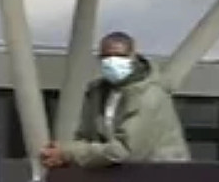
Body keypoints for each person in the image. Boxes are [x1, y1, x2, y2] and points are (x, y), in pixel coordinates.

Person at [40, 31, 191, 170]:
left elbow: (125, 151)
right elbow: (85, 138)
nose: (112, 61)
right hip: (118, 177)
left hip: (161, 177)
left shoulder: (150, 94)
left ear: (133, 57)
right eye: (106, 57)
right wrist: (63, 153)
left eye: (120, 56)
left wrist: (69, 153)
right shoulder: (97, 93)